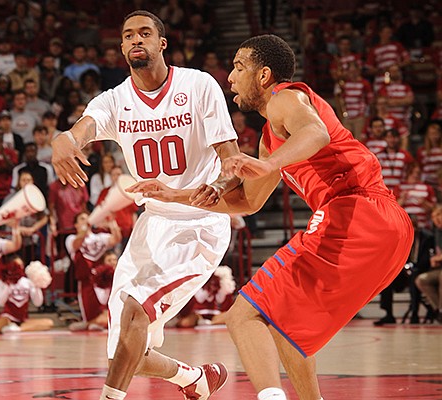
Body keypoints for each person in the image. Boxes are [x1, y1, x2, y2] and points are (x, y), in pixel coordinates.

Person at [127, 34, 414, 400]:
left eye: (238, 67)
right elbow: (248, 202)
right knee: (287, 329)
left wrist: (269, 164)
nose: (229, 77)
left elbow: (316, 132)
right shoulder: (269, 136)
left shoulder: (286, 98)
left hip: (356, 212)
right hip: (388, 229)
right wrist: (175, 195)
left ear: (263, 76)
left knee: (242, 316)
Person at [51, 11, 240, 400]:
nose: (136, 40)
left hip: (199, 223)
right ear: (121, 47)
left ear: (161, 43)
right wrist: (64, 140)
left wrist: (217, 188)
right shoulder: (115, 100)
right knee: (127, 352)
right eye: (128, 35)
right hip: (151, 225)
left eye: (145, 33)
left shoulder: (198, 85)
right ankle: (195, 379)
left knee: (136, 312)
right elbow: (84, 127)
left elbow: (232, 161)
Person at [66, 213, 121, 331]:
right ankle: (92, 323)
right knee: (92, 315)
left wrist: (112, 223)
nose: (86, 221)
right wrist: (84, 228)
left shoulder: (99, 237)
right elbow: (76, 245)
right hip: (86, 282)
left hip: (103, 282)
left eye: (87, 218)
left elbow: (116, 239)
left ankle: (89, 324)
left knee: (110, 313)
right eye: (82, 219)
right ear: (76, 224)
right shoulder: (70, 238)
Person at [0, 257, 54, 333]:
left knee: (49, 323)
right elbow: (0, 303)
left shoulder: (27, 282)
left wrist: (36, 286)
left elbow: (38, 303)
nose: (18, 268)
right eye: (15, 266)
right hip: (7, 319)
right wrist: (7, 284)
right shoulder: (1, 282)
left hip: (23, 320)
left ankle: (17, 329)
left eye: (21, 266)